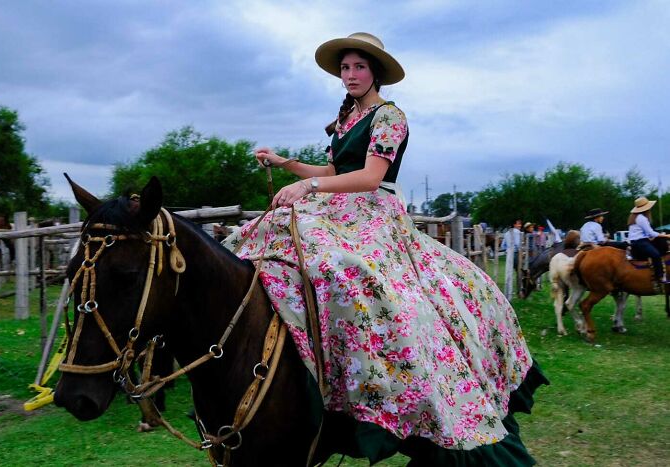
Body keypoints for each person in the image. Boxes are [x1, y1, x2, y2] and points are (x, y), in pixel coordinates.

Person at [223, 32, 546, 465]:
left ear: (375, 72)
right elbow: (335, 168)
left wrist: (308, 186)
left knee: (347, 269)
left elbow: (370, 177)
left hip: (372, 211)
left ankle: (376, 378)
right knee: (258, 244)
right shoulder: (347, 119)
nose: (350, 75)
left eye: (358, 67)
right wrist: (287, 165)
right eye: (344, 68)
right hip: (336, 206)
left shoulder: (390, 116)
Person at [627, 197, 670, 290]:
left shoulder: (634, 217)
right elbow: (650, 233)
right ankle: (660, 277)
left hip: (638, 241)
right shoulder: (641, 218)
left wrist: (661, 235)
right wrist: (666, 236)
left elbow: (648, 234)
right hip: (639, 243)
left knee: (661, 243)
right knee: (656, 254)